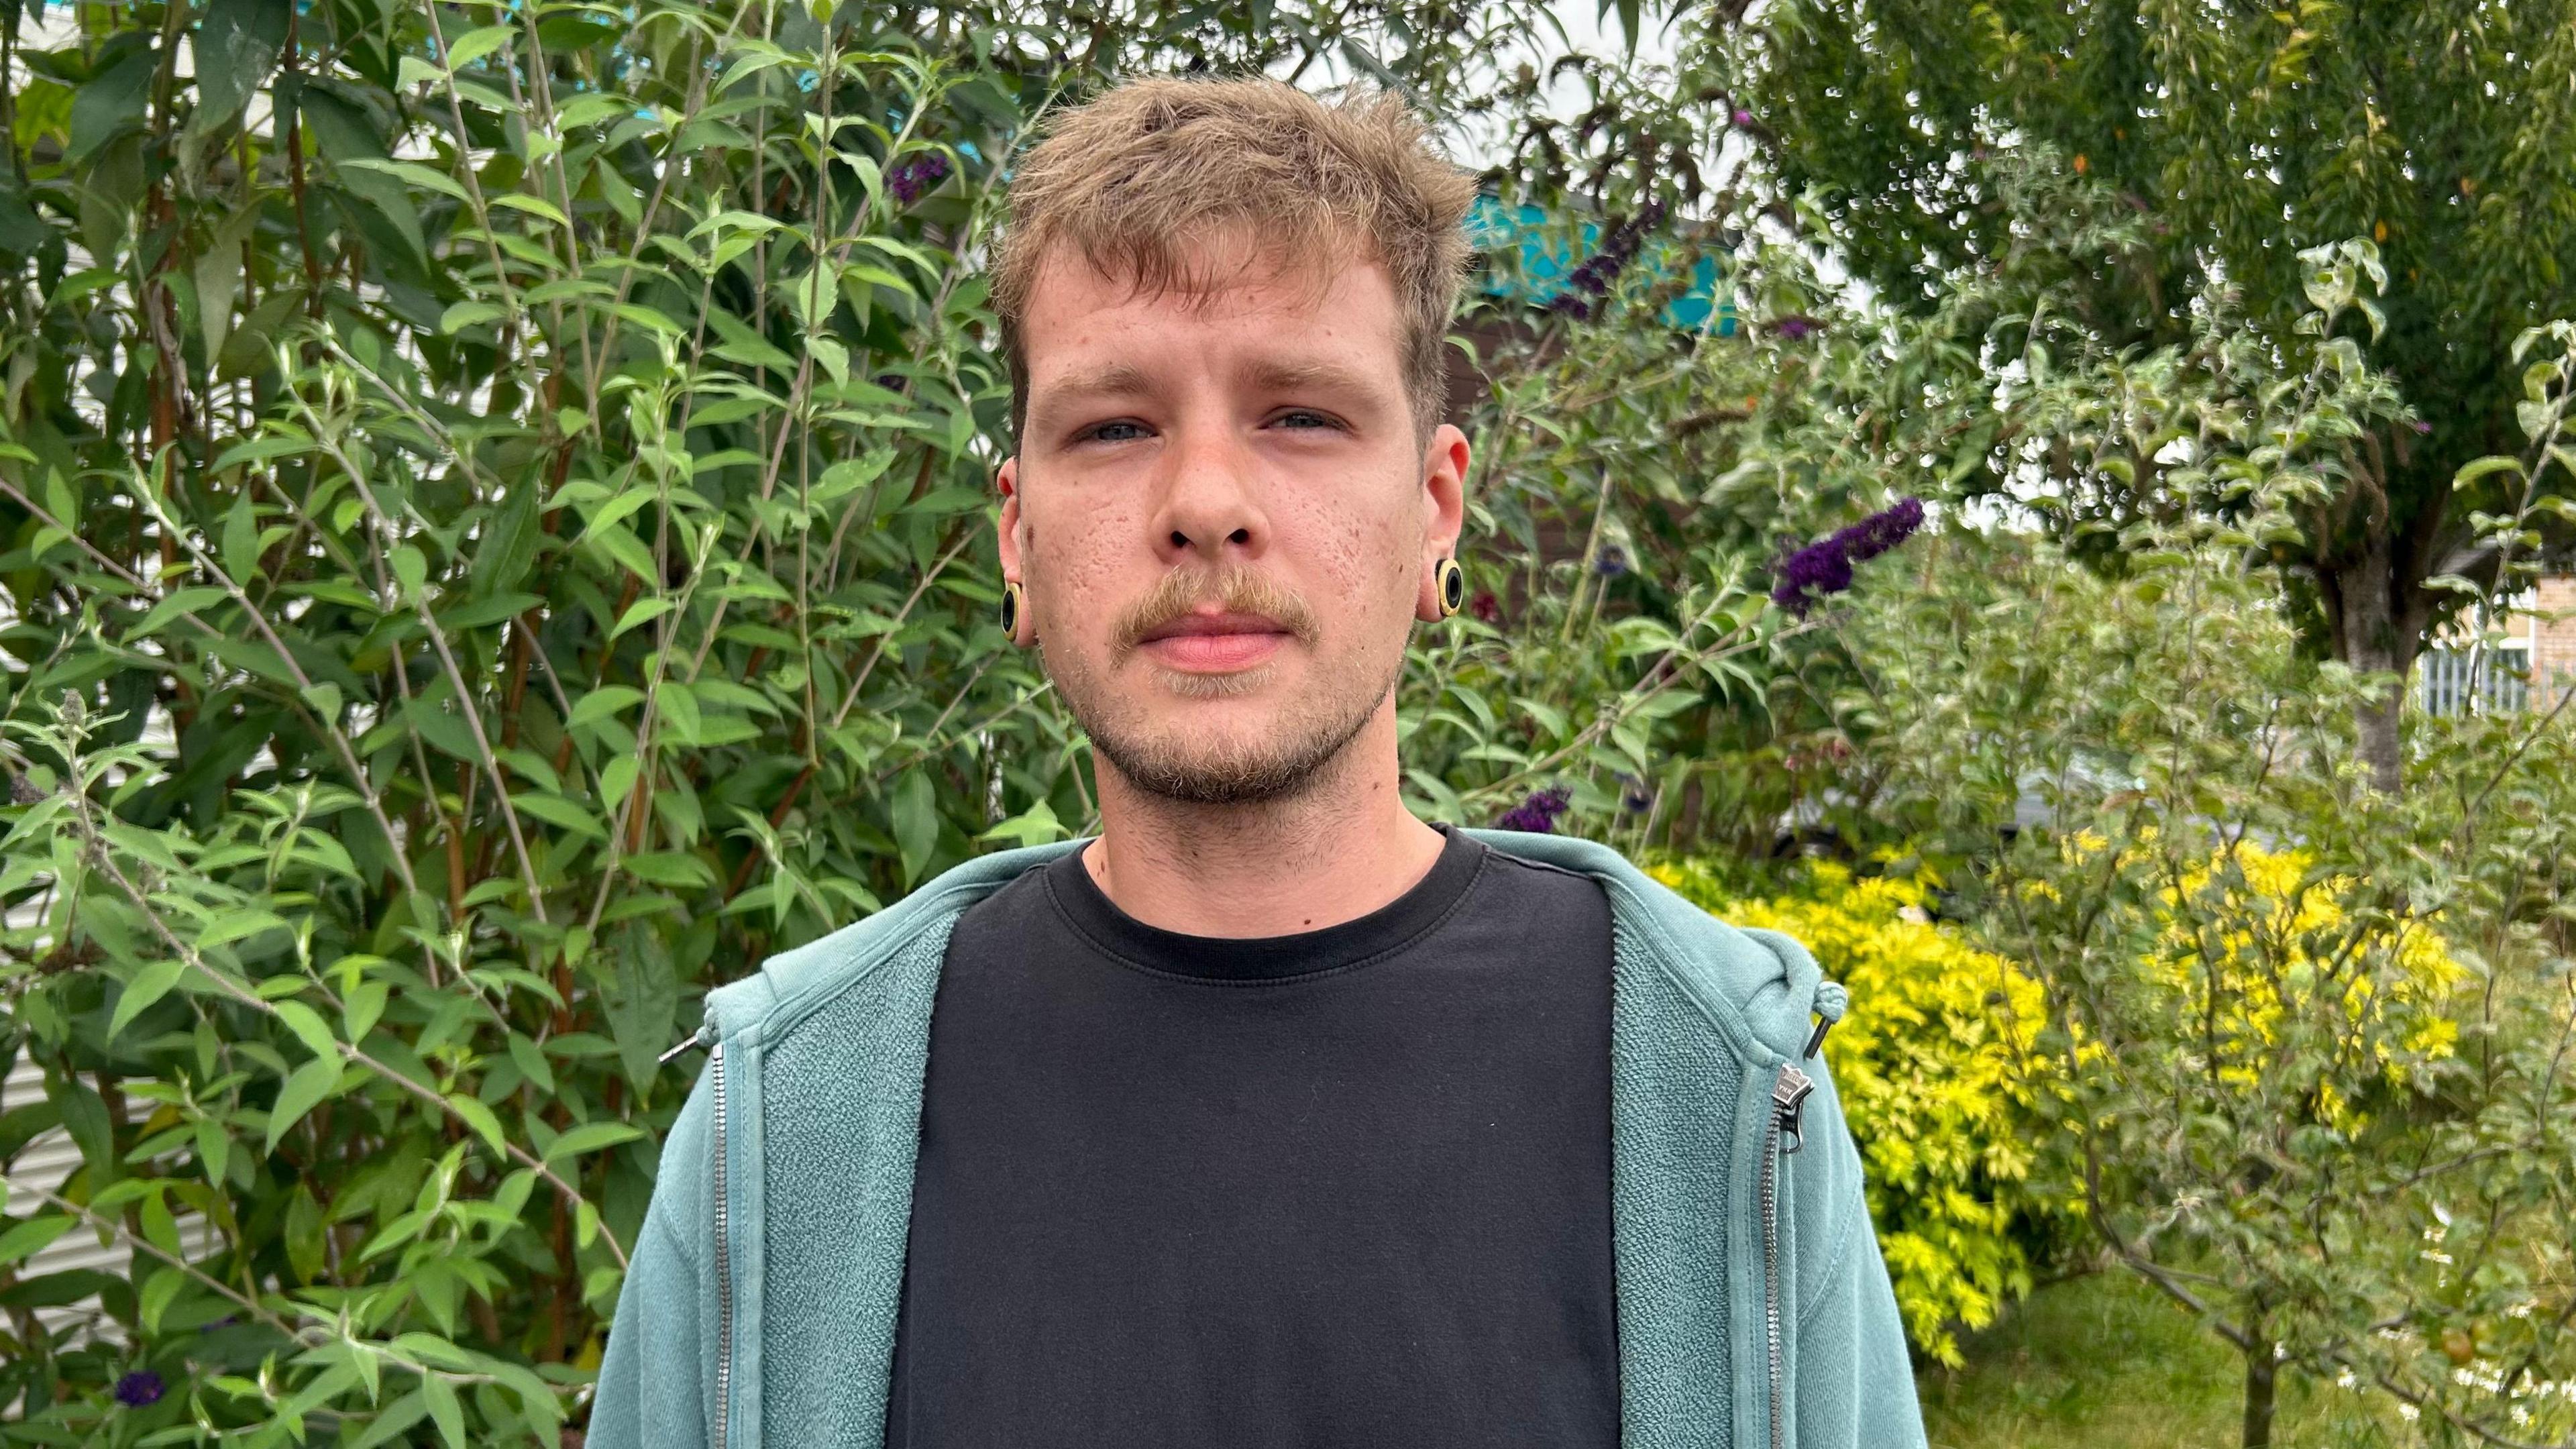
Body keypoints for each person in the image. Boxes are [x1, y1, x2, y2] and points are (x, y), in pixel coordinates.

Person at [590, 75, 1924, 1449]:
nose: (1207, 505)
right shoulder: (790, 1124)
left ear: (1435, 511)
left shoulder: (1713, 1086)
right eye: (1114, 427)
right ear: (1015, 535)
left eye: (1300, 415)